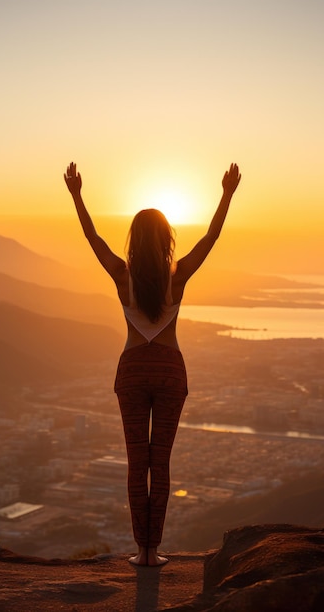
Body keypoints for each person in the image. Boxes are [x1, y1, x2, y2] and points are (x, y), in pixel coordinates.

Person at [64, 161, 241, 566]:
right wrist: (226, 194)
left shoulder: (120, 274)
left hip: (131, 370)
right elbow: (211, 237)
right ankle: (153, 550)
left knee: (135, 463)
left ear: (133, 240)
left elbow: (92, 237)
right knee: (160, 462)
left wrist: (77, 195)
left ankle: (139, 551)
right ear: (166, 239)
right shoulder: (177, 275)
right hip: (169, 369)